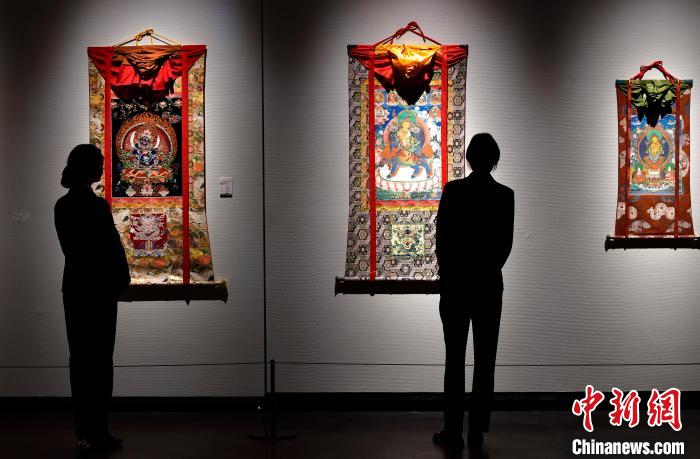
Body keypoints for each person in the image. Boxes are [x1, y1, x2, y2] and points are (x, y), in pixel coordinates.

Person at [433, 133, 514, 450]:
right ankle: (478, 427)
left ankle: (452, 429)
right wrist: (485, 269)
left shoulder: (453, 191)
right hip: (488, 285)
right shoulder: (504, 195)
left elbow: (442, 240)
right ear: (495, 160)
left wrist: (450, 276)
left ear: (468, 158)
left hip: (456, 285)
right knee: (485, 359)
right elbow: (504, 246)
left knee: (454, 360)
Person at [54, 144, 130, 451]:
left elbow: (73, 250)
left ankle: (86, 429)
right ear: (88, 168)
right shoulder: (96, 206)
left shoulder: (63, 206)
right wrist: (119, 279)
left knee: (81, 361)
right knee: (99, 362)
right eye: (99, 163)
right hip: (99, 290)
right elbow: (111, 248)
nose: (102, 167)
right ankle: (98, 429)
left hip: (77, 288)